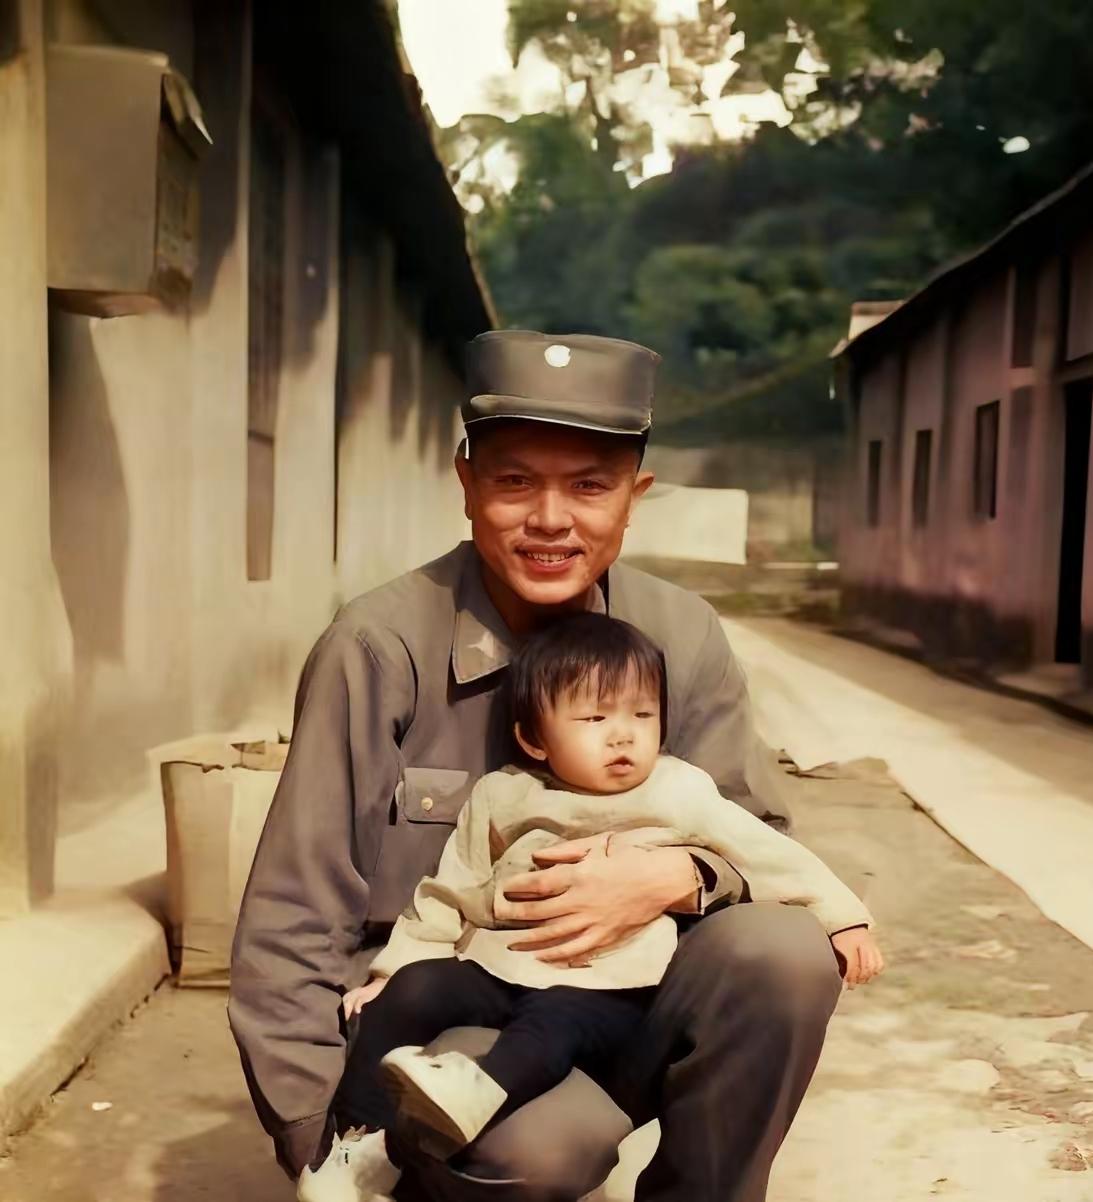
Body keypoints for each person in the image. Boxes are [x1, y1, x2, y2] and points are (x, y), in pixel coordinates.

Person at [229, 329, 875, 1202]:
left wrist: (673, 875)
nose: (549, 519)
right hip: (461, 1010)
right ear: (465, 485)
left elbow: (755, 837)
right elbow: (294, 912)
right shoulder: (377, 646)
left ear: (633, 497)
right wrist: (319, 1136)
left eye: (589, 486)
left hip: (628, 994)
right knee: (519, 1154)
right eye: (514, 481)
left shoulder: (679, 635)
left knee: (785, 953)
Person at [312, 613, 879, 1187]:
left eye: (642, 714)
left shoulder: (677, 790)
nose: (623, 735)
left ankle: (478, 1091)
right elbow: (447, 891)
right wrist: (394, 971)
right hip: (497, 966)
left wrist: (841, 918)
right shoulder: (504, 794)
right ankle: (357, 1145)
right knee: (410, 991)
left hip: (606, 985)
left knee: (553, 1026)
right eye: (593, 717)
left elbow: (767, 853)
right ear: (535, 737)